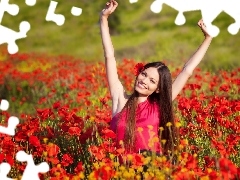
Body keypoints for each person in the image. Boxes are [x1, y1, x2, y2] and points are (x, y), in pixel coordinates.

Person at [99, 0, 212, 155]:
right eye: (144, 74)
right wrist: (104, 19)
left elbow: (187, 70)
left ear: (158, 89)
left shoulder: (159, 106)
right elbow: (109, 56)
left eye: (152, 81)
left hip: (151, 170)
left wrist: (208, 38)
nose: (144, 81)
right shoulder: (120, 100)